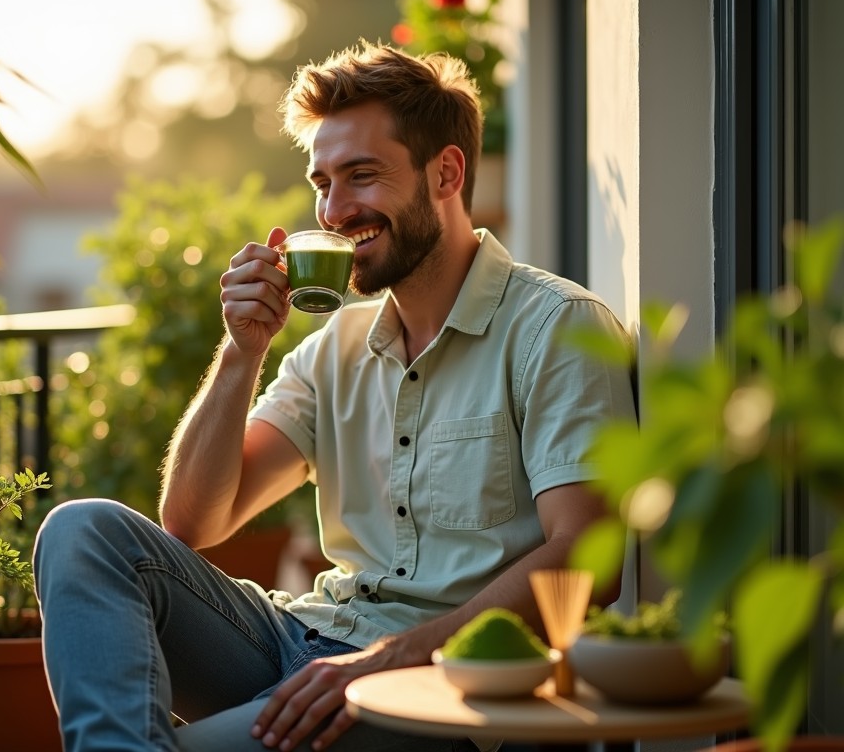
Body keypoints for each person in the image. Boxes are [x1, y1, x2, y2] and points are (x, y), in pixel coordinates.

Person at [33, 40, 637, 752]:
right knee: (83, 532)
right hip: (309, 636)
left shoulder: (554, 327)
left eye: (362, 176)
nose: (335, 208)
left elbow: (587, 561)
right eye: (323, 182)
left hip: (450, 683)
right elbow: (196, 520)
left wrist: (393, 658)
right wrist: (242, 350)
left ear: (446, 173)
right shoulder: (333, 350)